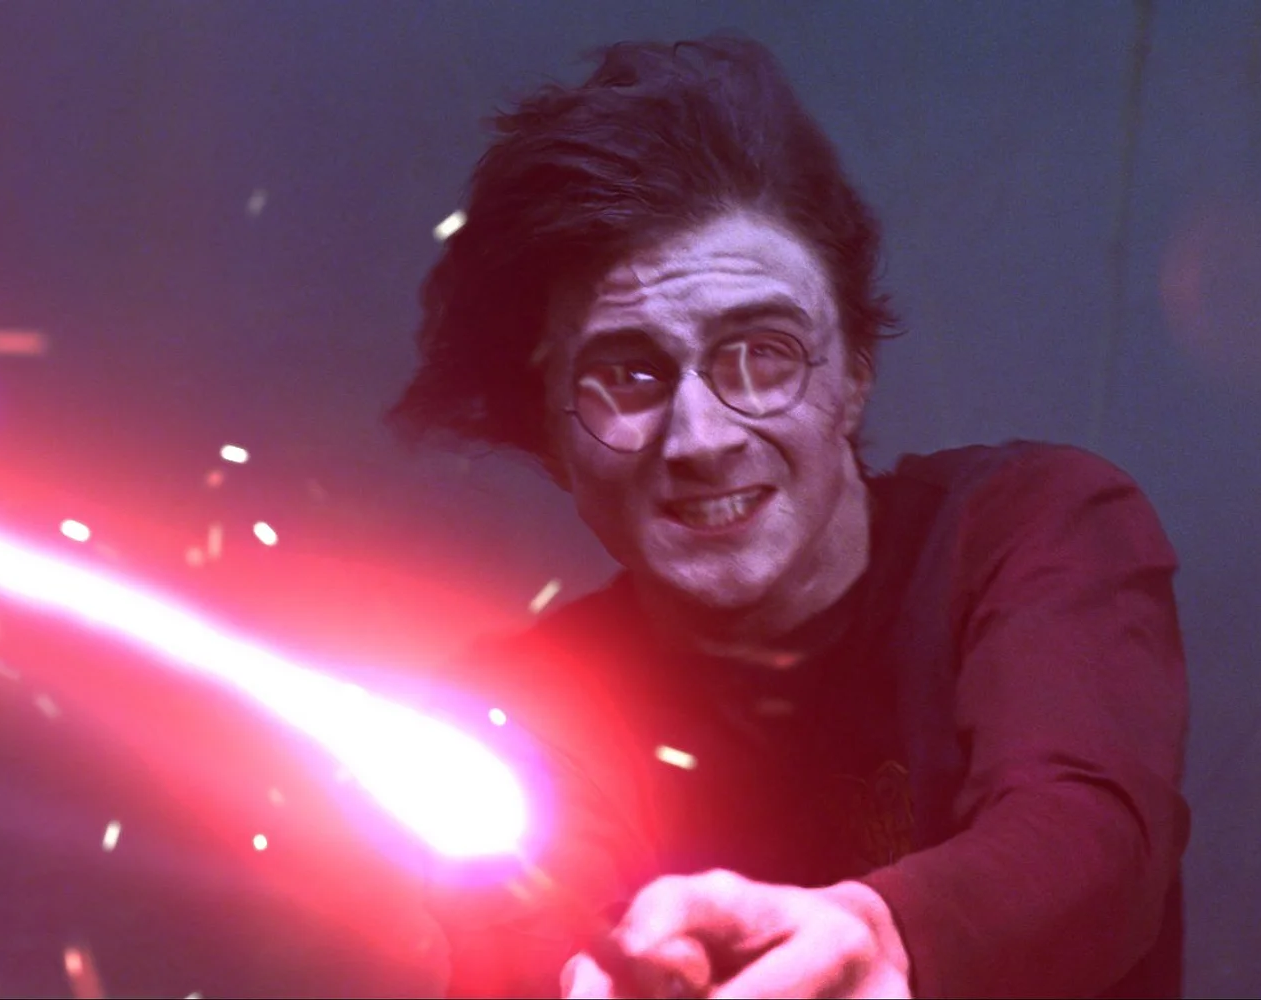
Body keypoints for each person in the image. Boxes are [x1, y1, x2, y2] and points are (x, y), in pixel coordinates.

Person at [388, 34, 1188, 999]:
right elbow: (522, 934)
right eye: (627, 373)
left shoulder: (1027, 531)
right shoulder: (517, 707)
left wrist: (887, 938)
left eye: (763, 353)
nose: (701, 437)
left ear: (854, 374)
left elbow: (1091, 835)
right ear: (552, 433)